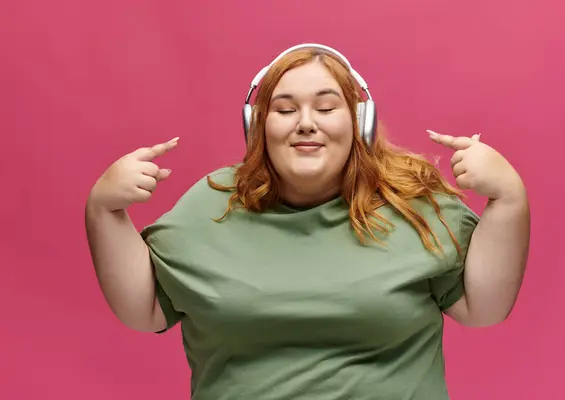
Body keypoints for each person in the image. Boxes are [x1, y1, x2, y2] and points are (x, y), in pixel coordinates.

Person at [85, 44, 530, 400]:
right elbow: (143, 311)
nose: (305, 124)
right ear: (258, 125)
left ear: (360, 121)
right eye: (284, 109)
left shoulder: (412, 202)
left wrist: (508, 197)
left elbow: (484, 308)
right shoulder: (211, 206)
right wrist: (105, 209)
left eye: (326, 107)